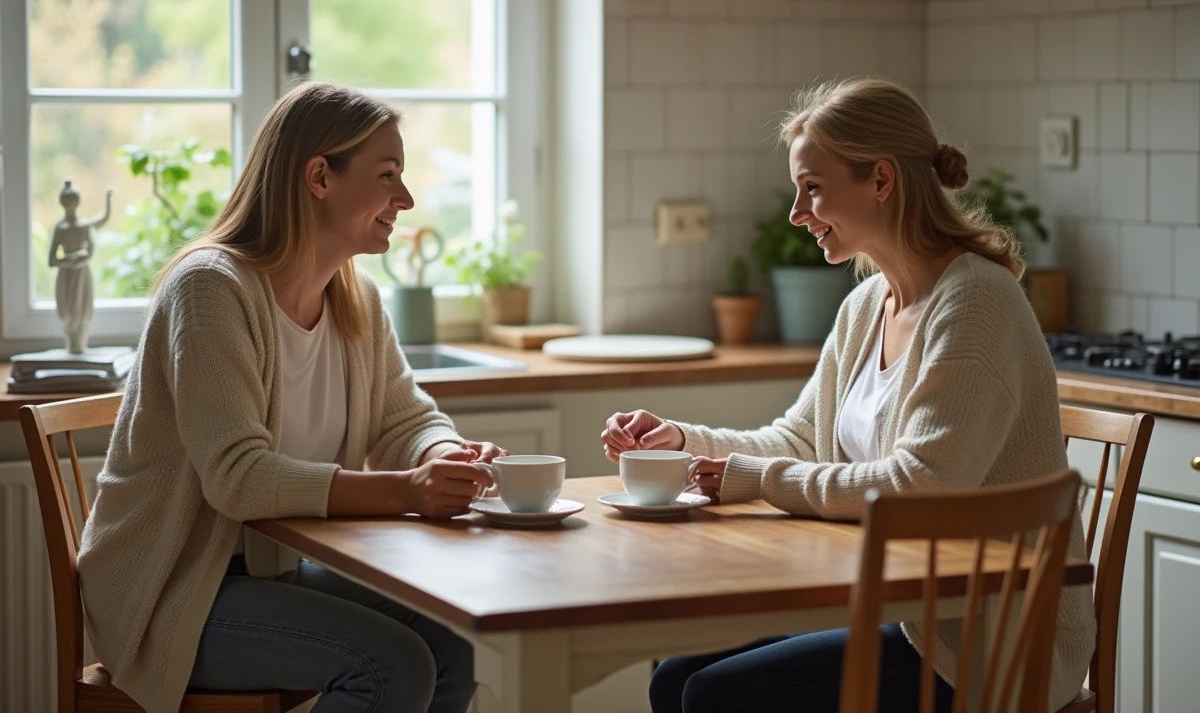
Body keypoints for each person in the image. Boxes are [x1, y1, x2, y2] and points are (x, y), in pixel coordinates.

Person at [601, 78, 1095, 713]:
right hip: (903, 611)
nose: (796, 213)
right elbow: (800, 440)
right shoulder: (868, 304)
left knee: (713, 696)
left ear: (881, 181)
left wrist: (754, 478)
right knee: (675, 678)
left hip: (984, 642)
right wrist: (682, 441)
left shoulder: (976, 303)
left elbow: (920, 487)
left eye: (812, 188)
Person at [78, 82, 499, 713]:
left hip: (271, 572)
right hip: (172, 593)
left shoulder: (355, 299)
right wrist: (408, 490)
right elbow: (238, 479)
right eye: (388, 175)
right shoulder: (210, 291)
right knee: (391, 666)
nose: (405, 199)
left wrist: (448, 453)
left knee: (452, 636)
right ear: (320, 176)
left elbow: (404, 419)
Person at [49, 180, 112, 353]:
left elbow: (90, 251)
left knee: (82, 312)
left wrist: (108, 199)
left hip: (81, 274)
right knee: (68, 313)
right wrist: (70, 259)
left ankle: (80, 346)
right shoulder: (60, 228)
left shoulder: (84, 226)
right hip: (66, 276)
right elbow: (52, 260)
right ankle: (71, 346)